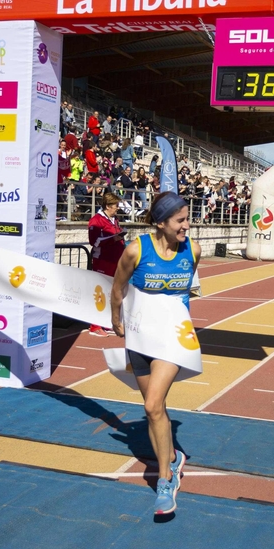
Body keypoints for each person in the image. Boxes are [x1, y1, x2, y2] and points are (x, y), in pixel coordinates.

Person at [110, 191, 198, 514]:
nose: (187, 225)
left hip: (172, 339)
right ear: (160, 223)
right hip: (138, 337)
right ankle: (173, 456)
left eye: (188, 218)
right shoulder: (136, 250)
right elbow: (118, 287)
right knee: (153, 410)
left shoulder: (193, 250)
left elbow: (189, 291)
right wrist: (115, 320)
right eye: (180, 220)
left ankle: (165, 480)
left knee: (151, 403)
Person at [87, 192, 126, 336]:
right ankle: (95, 326)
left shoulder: (114, 219)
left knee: (111, 292)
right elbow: (94, 242)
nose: (117, 208)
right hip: (102, 261)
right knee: (100, 291)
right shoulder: (96, 220)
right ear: (108, 206)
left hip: (115, 261)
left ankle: (107, 322)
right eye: (116, 205)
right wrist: (114, 239)